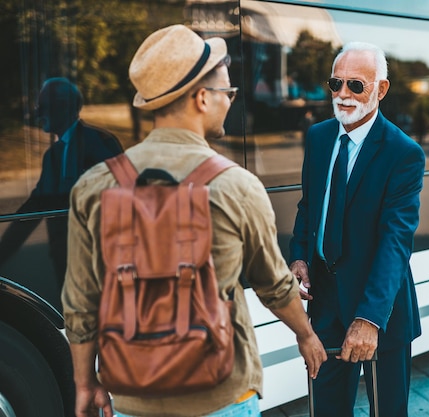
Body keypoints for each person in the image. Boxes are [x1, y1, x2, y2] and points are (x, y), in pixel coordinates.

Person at [61, 25, 326, 417]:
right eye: (228, 93)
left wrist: (84, 384)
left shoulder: (92, 187)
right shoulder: (236, 185)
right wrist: (306, 336)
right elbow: (273, 284)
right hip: (221, 393)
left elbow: (80, 303)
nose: (231, 101)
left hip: (133, 398)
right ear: (202, 98)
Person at [289, 42, 426, 417]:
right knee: (326, 410)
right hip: (325, 304)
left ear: (381, 90)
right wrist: (299, 255)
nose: (343, 95)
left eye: (356, 85)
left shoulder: (404, 153)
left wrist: (369, 319)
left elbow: (395, 242)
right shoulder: (318, 138)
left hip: (380, 310)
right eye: (336, 84)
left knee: (386, 412)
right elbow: (308, 208)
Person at [0, 77, 122, 290]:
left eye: (43, 106)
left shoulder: (99, 142)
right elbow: (35, 207)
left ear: (64, 106)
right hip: (64, 261)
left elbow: (122, 193)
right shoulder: (52, 156)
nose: (37, 113)